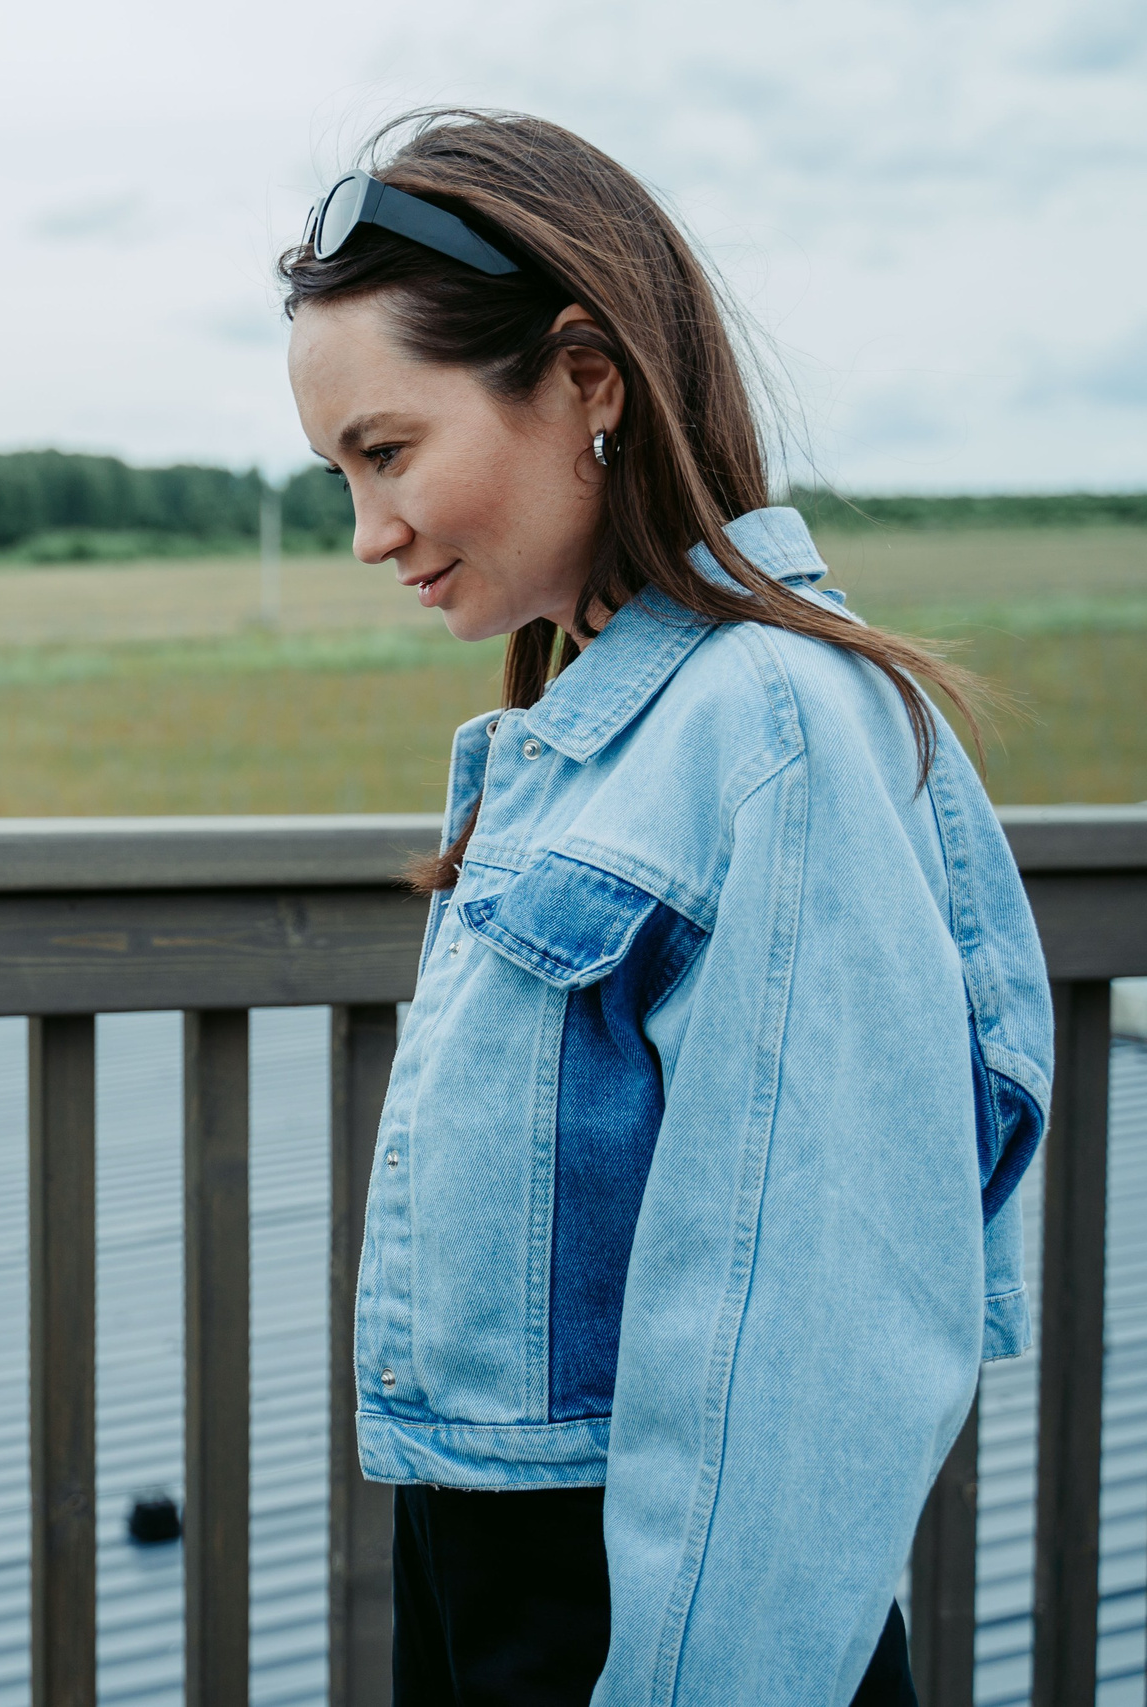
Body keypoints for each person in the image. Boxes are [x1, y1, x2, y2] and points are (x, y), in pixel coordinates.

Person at [278, 110, 1053, 1705]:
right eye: (340, 474)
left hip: (658, 1625)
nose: (367, 534)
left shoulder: (771, 730)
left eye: (388, 453)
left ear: (588, 380)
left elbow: (811, 1344)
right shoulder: (614, 730)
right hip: (513, 1587)